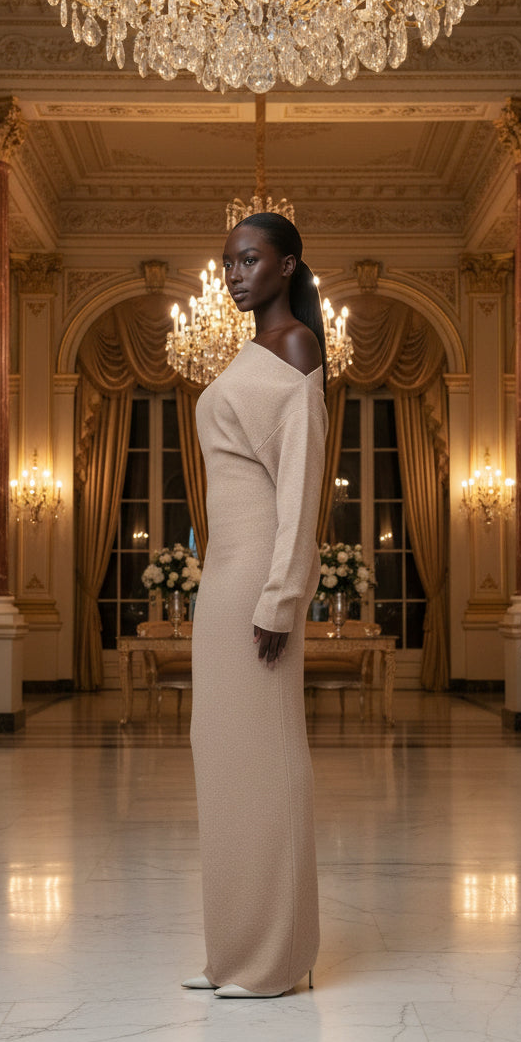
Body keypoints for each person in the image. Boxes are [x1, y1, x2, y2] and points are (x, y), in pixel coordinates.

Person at [185, 211, 328, 999]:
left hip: (257, 590)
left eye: (249, 259)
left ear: (286, 266)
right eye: (228, 261)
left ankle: (274, 958)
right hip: (222, 582)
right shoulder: (248, 354)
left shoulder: (295, 349)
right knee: (223, 762)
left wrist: (282, 598)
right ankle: (230, 950)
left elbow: (301, 490)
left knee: (267, 767)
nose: (235, 274)